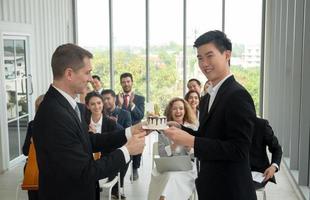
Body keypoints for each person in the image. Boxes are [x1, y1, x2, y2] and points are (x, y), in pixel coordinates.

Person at [32, 43, 146, 200]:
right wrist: (127, 150)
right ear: (69, 74)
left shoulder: (67, 104)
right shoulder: (54, 115)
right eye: (87, 73)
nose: (91, 79)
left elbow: (88, 141)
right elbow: (84, 172)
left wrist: (130, 131)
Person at [164, 30, 257, 200]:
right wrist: (183, 129)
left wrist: (190, 141)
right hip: (211, 185)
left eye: (209, 56)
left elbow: (239, 150)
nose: (204, 63)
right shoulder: (207, 97)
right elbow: (208, 136)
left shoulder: (238, 95)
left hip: (231, 190)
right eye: (200, 58)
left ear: (227, 55)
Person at [148, 97, 198, 200]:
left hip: (186, 168)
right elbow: (162, 153)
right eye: (175, 108)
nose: (178, 111)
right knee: (167, 176)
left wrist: (189, 148)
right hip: (167, 167)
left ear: (185, 111)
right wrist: (174, 145)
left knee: (172, 178)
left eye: (181, 108)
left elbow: (197, 154)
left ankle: (163, 197)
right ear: (170, 111)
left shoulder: (192, 129)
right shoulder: (163, 129)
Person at [84, 91, 129, 199]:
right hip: (88, 161)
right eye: (93, 104)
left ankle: (116, 190)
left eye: (99, 103)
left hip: (106, 160)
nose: (97, 106)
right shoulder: (82, 122)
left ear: (102, 104)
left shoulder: (111, 123)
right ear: (87, 106)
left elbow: (120, 139)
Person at [116, 72, 145, 181]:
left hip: (136, 128)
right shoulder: (116, 97)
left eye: (128, 81)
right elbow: (115, 114)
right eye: (123, 82)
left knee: (138, 144)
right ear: (121, 84)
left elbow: (140, 115)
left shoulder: (140, 98)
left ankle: (135, 168)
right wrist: (119, 105)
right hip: (121, 129)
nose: (126, 84)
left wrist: (132, 104)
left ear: (132, 82)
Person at [22, 95, 44, 200]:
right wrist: (31, 143)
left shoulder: (59, 125)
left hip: (52, 167)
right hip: (34, 167)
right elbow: (25, 151)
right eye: (39, 107)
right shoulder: (32, 125)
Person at [250, 117, 282, 189]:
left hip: (257, 172)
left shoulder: (261, 125)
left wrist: (273, 167)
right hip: (234, 171)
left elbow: (277, 148)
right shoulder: (228, 124)